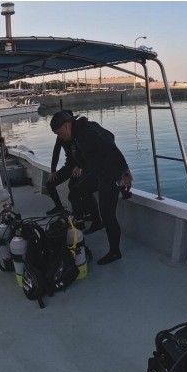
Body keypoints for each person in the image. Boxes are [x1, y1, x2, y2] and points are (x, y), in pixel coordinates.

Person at [49, 111, 132, 265]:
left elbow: (110, 144)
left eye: (59, 133)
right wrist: (81, 166)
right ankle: (90, 221)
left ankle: (115, 252)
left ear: (67, 126)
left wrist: (125, 172)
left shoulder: (85, 133)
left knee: (108, 215)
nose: (59, 137)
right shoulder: (81, 130)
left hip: (110, 174)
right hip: (97, 173)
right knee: (77, 190)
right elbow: (109, 135)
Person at [45, 128, 102, 231]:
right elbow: (56, 152)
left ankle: (81, 217)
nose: (59, 134)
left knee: (74, 189)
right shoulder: (61, 136)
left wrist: (80, 166)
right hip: (70, 165)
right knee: (49, 183)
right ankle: (60, 208)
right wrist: (53, 170)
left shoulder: (78, 134)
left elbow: (88, 153)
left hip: (81, 166)